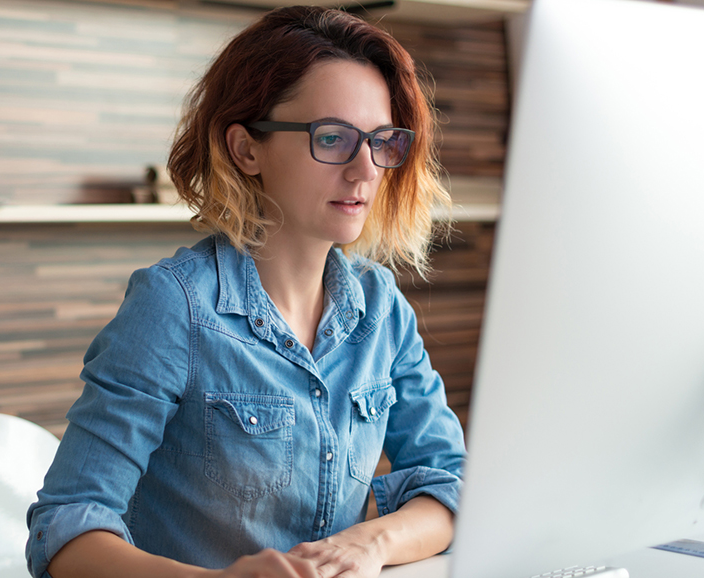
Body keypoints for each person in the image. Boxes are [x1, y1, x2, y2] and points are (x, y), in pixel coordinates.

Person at [26, 6, 466, 578]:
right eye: (332, 138)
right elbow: (67, 527)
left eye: (381, 141)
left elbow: (450, 485)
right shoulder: (174, 306)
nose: (365, 171)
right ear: (246, 149)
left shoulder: (382, 311)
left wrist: (371, 543)